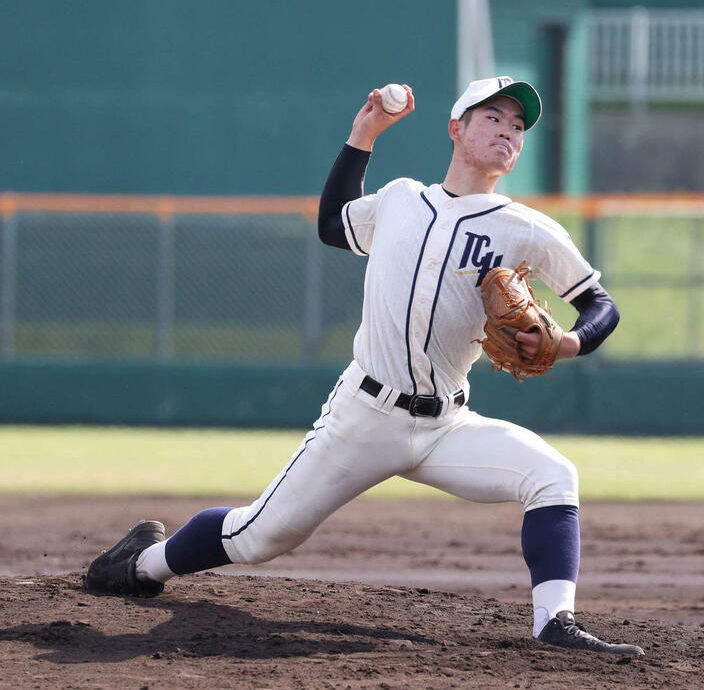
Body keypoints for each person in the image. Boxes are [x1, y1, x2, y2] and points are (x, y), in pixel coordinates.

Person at [85, 77, 643, 655]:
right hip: (363, 417)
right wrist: (364, 134)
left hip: (445, 425)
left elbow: (601, 305)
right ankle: (142, 565)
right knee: (260, 536)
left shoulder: (525, 229)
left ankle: (555, 623)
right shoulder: (402, 199)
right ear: (456, 128)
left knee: (554, 477)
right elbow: (332, 226)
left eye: (518, 127)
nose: (508, 132)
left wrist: (567, 343)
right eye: (493, 118)